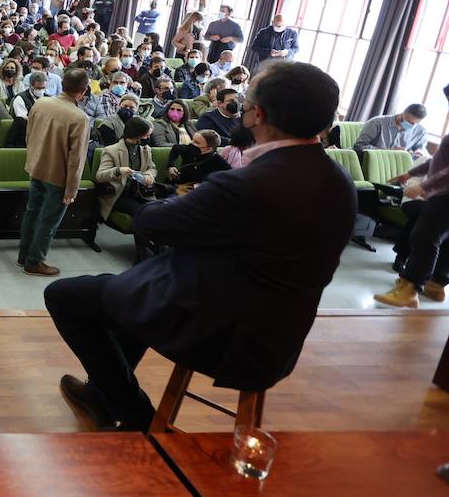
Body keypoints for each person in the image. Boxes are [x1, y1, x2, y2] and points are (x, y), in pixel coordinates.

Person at [47, 62, 355, 431]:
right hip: (277, 335)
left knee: (65, 296)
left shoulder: (246, 184)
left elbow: (150, 222)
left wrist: (187, 200)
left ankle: (134, 414)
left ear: (257, 114)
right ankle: (103, 394)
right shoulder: (341, 182)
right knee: (124, 297)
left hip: (216, 329)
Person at [372, 84, 449, 308]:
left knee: (424, 238)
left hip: (445, 195)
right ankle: (436, 285)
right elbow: (438, 160)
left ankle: (408, 289)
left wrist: (424, 185)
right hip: (443, 193)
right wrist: (411, 173)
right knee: (444, 241)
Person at [18, 68, 90, 278]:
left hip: (36, 166)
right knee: (48, 220)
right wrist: (72, 188)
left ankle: (24, 255)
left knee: (32, 212)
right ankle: (34, 261)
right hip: (58, 176)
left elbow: (29, 135)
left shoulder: (40, 103)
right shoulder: (79, 117)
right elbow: (77, 159)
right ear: (83, 91)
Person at [94, 115, 157, 260]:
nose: (148, 137)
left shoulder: (145, 149)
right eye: (146, 134)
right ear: (137, 134)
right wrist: (118, 171)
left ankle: (157, 246)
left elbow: (151, 168)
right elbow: (100, 175)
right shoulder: (112, 150)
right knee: (140, 212)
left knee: (159, 209)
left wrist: (149, 176)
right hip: (120, 194)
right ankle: (141, 254)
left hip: (141, 192)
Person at [353, 105, 428, 160]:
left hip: (396, 168)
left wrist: (419, 152)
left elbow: (420, 149)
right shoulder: (377, 123)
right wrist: (389, 151)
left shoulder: (420, 132)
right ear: (402, 113)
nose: (406, 125)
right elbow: (358, 147)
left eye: (412, 124)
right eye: (405, 121)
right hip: (370, 162)